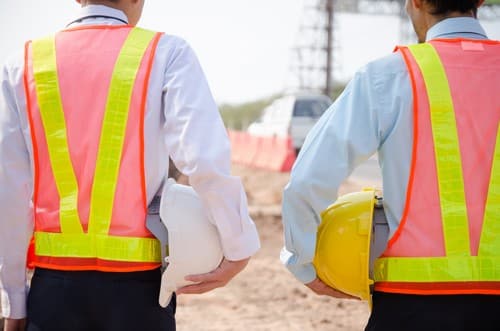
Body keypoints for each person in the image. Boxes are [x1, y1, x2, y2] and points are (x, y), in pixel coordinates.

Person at [0, 0, 260, 330]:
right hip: (139, 291)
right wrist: (237, 244)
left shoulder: (21, 64)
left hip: (53, 291)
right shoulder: (167, 53)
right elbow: (203, 158)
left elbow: (9, 192)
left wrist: (14, 299)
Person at [281, 0, 499, 329]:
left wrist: (304, 264)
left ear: (416, 2)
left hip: (410, 306)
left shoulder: (388, 75)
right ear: (480, 1)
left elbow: (306, 181)